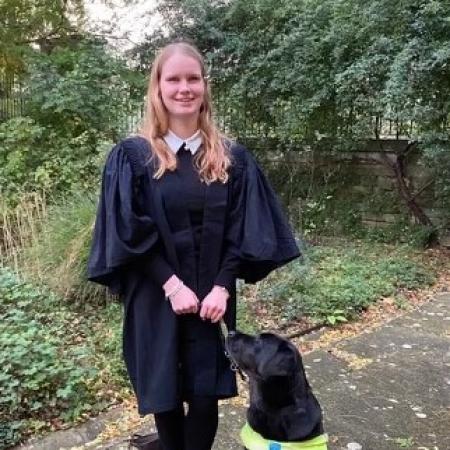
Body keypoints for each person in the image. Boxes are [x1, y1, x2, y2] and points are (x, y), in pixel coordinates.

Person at [87, 41, 300, 450]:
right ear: (157, 87)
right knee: (164, 395)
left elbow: (242, 231)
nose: (184, 88)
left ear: (204, 86)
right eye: (174, 79)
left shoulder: (230, 158)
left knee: (204, 397)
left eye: (193, 78)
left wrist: (222, 286)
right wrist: (171, 285)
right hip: (154, 295)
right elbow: (129, 232)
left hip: (210, 298)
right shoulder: (133, 157)